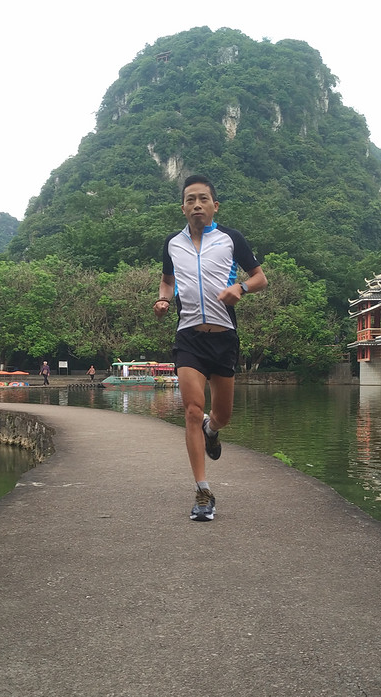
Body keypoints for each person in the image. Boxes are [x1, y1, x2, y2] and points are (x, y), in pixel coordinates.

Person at [155, 174, 267, 521]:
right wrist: (162, 299)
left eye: (203, 199)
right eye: (190, 200)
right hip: (188, 337)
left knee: (222, 415)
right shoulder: (172, 244)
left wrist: (241, 289)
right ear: (183, 207)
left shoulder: (231, 239)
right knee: (191, 410)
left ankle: (213, 430)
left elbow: (260, 278)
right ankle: (203, 492)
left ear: (214, 206)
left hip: (224, 338)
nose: (197, 205)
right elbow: (167, 280)